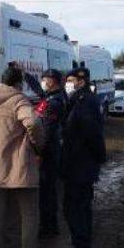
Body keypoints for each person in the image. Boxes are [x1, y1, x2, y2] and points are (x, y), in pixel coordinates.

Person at [0, 65, 44, 248]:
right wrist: (37, 145)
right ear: (19, 83)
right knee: (29, 214)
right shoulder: (19, 100)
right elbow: (33, 123)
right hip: (19, 166)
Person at [59, 67, 106, 248]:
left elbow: (93, 135)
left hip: (80, 166)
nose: (67, 83)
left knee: (76, 209)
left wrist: (97, 159)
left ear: (81, 81)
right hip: (76, 165)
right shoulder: (79, 100)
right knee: (76, 209)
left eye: (70, 80)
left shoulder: (85, 102)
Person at [37, 69, 67, 238]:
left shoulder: (55, 101)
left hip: (49, 152)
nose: (43, 82)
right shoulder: (51, 97)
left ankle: (49, 226)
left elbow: (48, 131)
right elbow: (39, 93)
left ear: (53, 81)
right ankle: (48, 224)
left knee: (47, 191)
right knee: (47, 191)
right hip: (50, 150)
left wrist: (38, 152)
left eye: (45, 79)